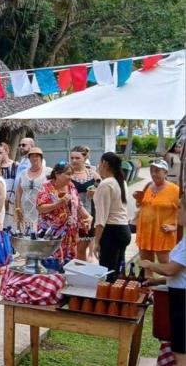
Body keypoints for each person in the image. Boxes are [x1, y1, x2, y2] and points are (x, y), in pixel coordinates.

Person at [139, 209, 185, 365]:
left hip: (182, 300)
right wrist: (156, 282)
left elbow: (171, 269)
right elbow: (179, 275)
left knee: (181, 352)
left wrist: (149, 264)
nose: (178, 212)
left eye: (181, 208)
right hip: (179, 296)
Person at [36, 161, 91, 265]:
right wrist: (58, 203)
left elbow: (78, 204)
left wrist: (88, 216)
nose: (71, 177)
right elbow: (40, 208)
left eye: (72, 174)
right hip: (52, 235)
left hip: (71, 234)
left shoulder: (71, 186)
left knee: (69, 265)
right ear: (57, 174)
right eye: (68, 174)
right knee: (52, 265)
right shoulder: (46, 187)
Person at [134, 159, 180, 278]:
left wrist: (174, 226)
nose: (153, 174)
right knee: (146, 267)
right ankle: (148, 292)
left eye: (157, 171)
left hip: (163, 233)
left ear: (165, 172)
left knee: (165, 267)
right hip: (145, 232)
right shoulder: (148, 186)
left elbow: (183, 212)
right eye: (151, 170)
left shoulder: (175, 190)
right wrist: (138, 200)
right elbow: (141, 206)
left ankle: (168, 292)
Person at [90, 152, 130, 283]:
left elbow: (101, 218)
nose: (98, 167)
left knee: (108, 272)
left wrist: (96, 241)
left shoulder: (106, 184)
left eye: (99, 163)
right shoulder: (121, 181)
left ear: (105, 164)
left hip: (111, 231)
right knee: (118, 271)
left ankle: (109, 300)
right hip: (123, 229)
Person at [70, 145, 102, 261]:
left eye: (77, 158)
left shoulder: (93, 175)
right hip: (71, 216)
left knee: (81, 249)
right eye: (72, 158)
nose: (74, 160)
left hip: (89, 214)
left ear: (84, 158)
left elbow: (103, 192)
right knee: (72, 249)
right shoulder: (67, 174)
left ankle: (80, 274)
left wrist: (96, 193)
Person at [14, 148, 51, 231]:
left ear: (41, 158)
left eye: (37, 156)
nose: (34, 158)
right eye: (32, 156)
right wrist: (18, 208)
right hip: (26, 211)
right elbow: (19, 192)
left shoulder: (48, 172)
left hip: (43, 210)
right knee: (26, 236)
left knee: (42, 236)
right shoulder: (24, 173)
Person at [0, 142, 18, 228]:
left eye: (0, 153)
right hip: (1, 197)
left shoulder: (15, 165)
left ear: (7, 151)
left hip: (12, 197)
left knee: (12, 223)